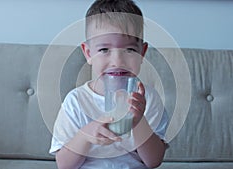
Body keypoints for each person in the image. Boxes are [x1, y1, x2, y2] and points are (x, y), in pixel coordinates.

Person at [49, 0, 169, 168]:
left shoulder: (148, 99)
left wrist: (139, 121)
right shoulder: (76, 101)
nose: (117, 61)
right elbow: (64, 165)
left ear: (142, 53)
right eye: (104, 50)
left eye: (130, 50)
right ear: (89, 53)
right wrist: (85, 136)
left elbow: (154, 161)